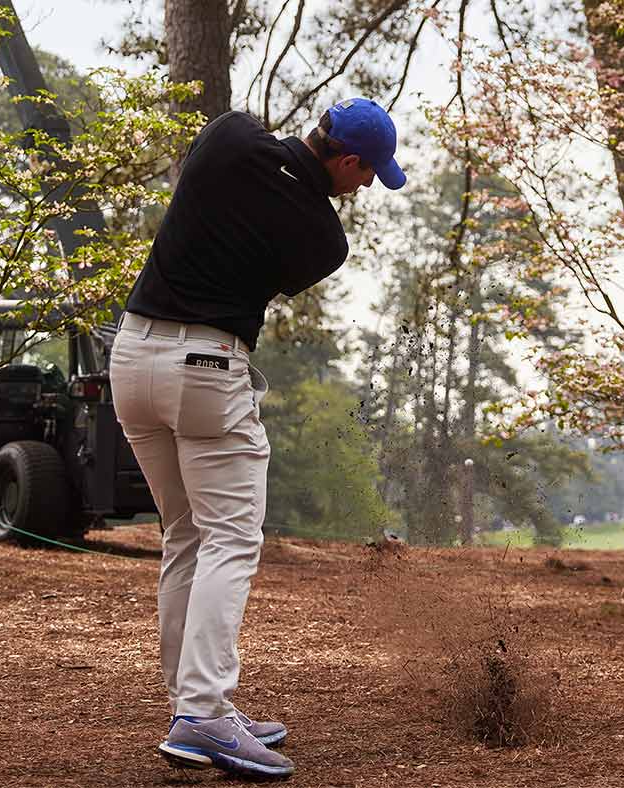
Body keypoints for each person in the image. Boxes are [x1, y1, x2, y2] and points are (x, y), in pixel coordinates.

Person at [109, 98, 406, 778]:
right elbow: (274, 255)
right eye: (367, 175)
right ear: (348, 160)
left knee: (184, 534)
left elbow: (243, 151)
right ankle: (204, 713)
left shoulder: (227, 137)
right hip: (208, 367)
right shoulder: (325, 240)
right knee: (232, 537)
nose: (365, 188)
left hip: (131, 356)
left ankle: (193, 703)